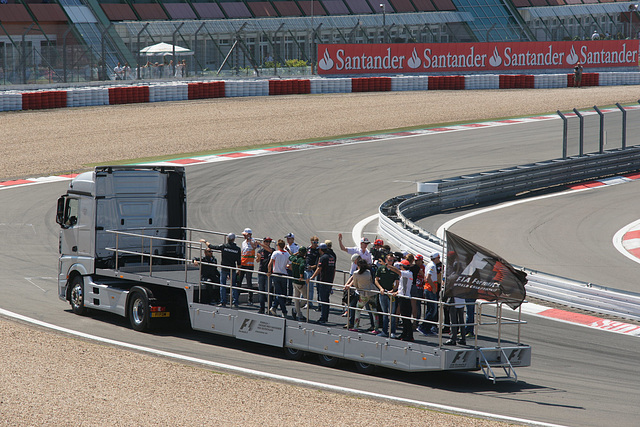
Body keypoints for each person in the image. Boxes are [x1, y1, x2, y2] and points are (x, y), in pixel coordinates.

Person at [201, 234, 241, 307]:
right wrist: (239, 270)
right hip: (232, 269)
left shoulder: (224, 246)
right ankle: (235, 303)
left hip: (224, 268)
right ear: (233, 240)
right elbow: (239, 262)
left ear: (228, 239)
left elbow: (211, 246)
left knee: (222, 285)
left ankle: (223, 302)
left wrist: (205, 241)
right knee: (234, 286)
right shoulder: (237, 249)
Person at [344, 259, 378, 332]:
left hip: (363, 294)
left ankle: (356, 327)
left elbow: (355, 284)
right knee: (374, 311)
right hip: (372, 292)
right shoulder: (368, 272)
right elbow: (370, 281)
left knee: (358, 310)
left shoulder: (355, 273)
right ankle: (376, 328)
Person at [374, 253, 401, 337]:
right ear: (386, 260)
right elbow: (376, 280)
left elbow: (397, 283)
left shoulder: (395, 270)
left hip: (391, 294)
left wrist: (393, 290)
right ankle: (384, 331)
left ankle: (392, 332)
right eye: (389, 260)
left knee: (392, 314)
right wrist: (381, 288)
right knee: (385, 313)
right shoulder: (381, 268)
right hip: (383, 293)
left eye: (392, 260)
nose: (390, 262)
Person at [310, 242, 336, 324]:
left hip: (323, 281)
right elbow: (334, 270)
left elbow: (318, 269)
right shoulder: (332, 257)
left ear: (321, 249)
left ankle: (323, 318)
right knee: (326, 300)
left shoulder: (323, 257)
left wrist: (312, 277)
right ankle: (325, 317)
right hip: (330, 281)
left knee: (323, 300)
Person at [418, 252, 440, 336]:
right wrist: (434, 288)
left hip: (428, 288)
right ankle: (423, 326)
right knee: (433, 309)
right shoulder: (432, 266)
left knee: (431, 309)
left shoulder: (429, 265)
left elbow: (425, 277)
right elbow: (427, 277)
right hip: (430, 289)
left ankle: (427, 327)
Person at [394, 260, 414, 342]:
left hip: (405, 298)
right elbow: (402, 286)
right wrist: (397, 292)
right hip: (402, 296)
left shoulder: (408, 273)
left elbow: (397, 271)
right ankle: (404, 334)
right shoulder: (405, 273)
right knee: (404, 317)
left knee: (406, 318)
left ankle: (410, 335)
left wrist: (388, 265)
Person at [268, 239, 289, 317]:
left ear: (278, 246)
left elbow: (270, 264)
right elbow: (289, 265)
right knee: (282, 294)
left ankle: (276, 307)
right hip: (284, 275)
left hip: (276, 274)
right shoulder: (287, 254)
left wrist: (269, 272)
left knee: (279, 294)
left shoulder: (275, 253)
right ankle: (282, 310)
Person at [237, 228, 258, 305]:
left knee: (249, 282)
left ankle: (250, 299)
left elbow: (255, 247)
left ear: (249, 235)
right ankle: (236, 298)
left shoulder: (253, 241)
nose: (244, 236)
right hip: (243, 264)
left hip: (249, 265)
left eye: (245, 235)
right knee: (239, 281)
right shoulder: (243, 242)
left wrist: (249, 239)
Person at [255, 237, 274, 314]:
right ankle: (261, 307)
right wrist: (258, 258)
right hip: (261, 272)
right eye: (266, 241)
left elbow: (269, 250)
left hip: (268, 274)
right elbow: (257, 261)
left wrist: (260, 244)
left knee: (268, 291)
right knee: (261, 291)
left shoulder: (272, 251)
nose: (268, 243)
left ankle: (269, 308)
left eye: (269, 241)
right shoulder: (260, 251)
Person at [288, 246, 308, 321]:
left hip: (294, 280)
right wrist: (301, 276)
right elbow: (302, 266)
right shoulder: (302, 260)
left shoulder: (294, 258)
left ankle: (298, 314)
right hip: (300, 282)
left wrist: (296, 253)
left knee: (296, 297)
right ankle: (296, 309)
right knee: (306, 297)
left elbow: (290, 257)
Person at [304, 236, 320, 309]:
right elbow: (305, 257)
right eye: (314, 242)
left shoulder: (318, 251)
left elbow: (318, 263)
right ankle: (303, 301)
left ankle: (309, 302)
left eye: (317, 242)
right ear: (311, 242)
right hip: (305, 269)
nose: (316, 244)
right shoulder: (308, 248)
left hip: (312, 270)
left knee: (310, 287)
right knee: (303, 287)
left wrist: (312, 267)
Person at [284, 232, 299, 304]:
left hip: (291, 267)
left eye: (289, 238)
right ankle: (284, 297)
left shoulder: (296, 246)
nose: (287, 240)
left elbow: (294, 256)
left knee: (290, 284)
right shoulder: (286, 246)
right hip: (285, 267)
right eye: (287, 238)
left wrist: (288, 251)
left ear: (292, 239)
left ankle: (289, 299)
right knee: (285, 283)